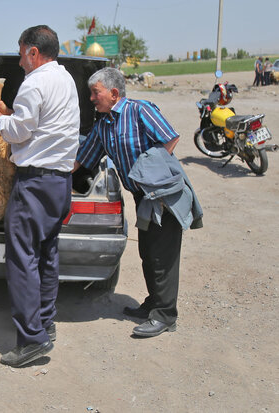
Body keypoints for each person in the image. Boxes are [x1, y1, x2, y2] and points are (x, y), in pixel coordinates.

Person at [73, 67, 202, 338]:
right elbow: (83, 159)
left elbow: (171, 137)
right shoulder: (103, 126)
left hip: (162, 194)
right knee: (147, 252)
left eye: (95, 93)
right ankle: (154, 304)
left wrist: (151, 173)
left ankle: (166, 316)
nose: (92, 99)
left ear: (114, 92)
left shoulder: (139, 110)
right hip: (142, 197)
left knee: (163, 255)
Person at [0, 25, 79, 367]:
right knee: (47, 253)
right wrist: (11, 115)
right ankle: (46, 325)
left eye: (21, 53)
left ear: (33, 52)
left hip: (34, 183)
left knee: (22, 260)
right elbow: (40, 126)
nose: (20, 61)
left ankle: (31, 340)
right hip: (59, 182)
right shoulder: (64, 78)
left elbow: (20, 132)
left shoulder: (34, 82)